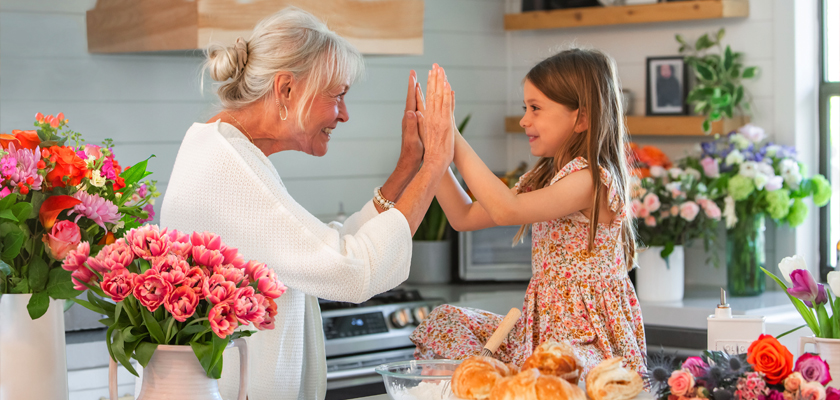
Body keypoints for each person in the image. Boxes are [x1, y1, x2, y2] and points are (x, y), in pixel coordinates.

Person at [159, 8, 456, 400]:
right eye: (338, 96)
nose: (344, 114)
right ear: (286, 90)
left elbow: (320, 253)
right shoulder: (229, 168)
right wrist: (435, 164)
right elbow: (353, 271)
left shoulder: (221, 149)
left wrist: (407, 168)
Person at [410, 50, 647, 376]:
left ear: (582, 118)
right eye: (526, 108)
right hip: (538, 339)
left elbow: (508, 211)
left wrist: (452, 137)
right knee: (447, 320)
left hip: (589, 348)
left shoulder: (590, 180)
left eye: (535, 108)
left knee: (558, 371)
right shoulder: (544, 179)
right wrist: (434, 155)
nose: (524, 119)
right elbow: (463, 216)